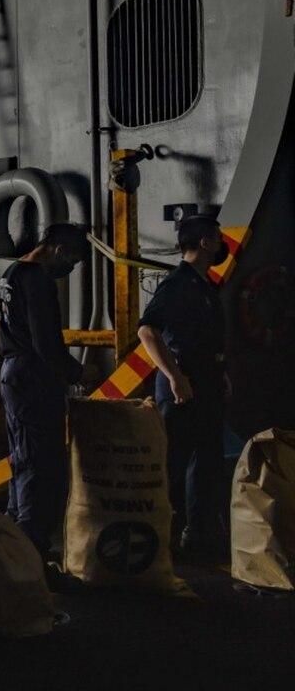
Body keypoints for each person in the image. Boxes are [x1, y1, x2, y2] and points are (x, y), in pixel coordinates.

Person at [137, 215, 230, 561]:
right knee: (172, 465)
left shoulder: (205, 286)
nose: (221, 244)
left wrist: (220, 372)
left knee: (205, 462)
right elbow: (148, 331)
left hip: (206, 384)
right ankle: (154, 538)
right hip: (183, 387)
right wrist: (175, 377)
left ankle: (198, 537)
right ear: (204, 243)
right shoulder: (178, 284)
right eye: (217, 238)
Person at [0, 222, 87, 572]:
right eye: (72, 260)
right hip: (33, 377)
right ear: (59, 250)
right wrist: (77, 373)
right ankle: (32, 558)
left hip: (14, 374)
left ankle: (14, 548)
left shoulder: (11, 273)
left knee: (22, 461)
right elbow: (46, 343)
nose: (71, 268)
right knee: (41, 468)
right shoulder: (37, 281)